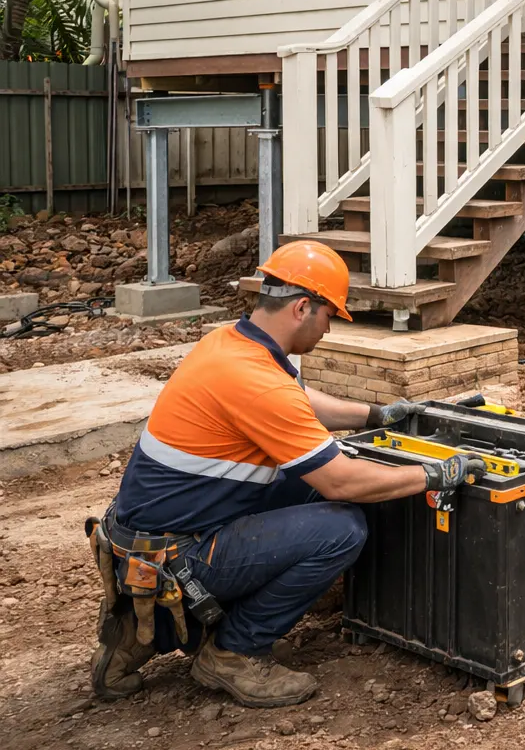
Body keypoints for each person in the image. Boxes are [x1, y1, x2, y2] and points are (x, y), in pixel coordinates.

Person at [88, 241, 487, 707]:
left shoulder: (230, 344)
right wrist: (435, 474)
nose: (329, 327)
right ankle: (233, 651)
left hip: (145, 544)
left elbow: (298, 400)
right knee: (341, 527)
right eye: (329, 315)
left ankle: (138, 633)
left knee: (303, 483)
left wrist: (376, 414)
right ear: (302, 307)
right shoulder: (255, 382)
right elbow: (341, 481)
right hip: (181, 554)